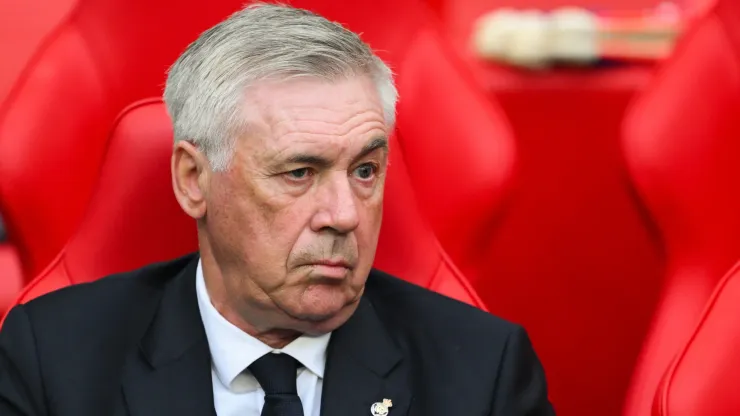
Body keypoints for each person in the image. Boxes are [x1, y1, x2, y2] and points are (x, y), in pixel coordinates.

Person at [0, 3, 554, 415]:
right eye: (299, 172)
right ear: (194, 181)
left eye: (365, 171)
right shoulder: (51, 361)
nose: (344, 215)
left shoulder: (484, 373)